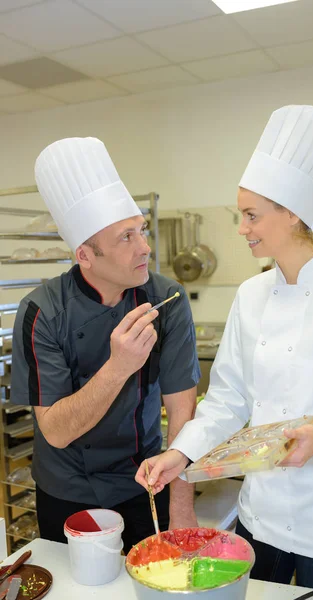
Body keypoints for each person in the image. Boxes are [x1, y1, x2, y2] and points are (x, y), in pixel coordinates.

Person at [136, 105, 313, 592]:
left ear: (293, 212)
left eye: (251, 215)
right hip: (260, 517)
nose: (242, 227)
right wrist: (181, 453)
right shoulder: (251, 295)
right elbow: (229, 398)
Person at [11, 137, 200, 554]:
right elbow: (56, 431)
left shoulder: (167, 300)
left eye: (142, 231)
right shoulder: (42, 312)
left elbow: (182, 411)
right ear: (85, 255)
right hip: (66, 489)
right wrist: (119, 366)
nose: (145, 247)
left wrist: (182, 506)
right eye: (126, 237)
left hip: (146, 481)